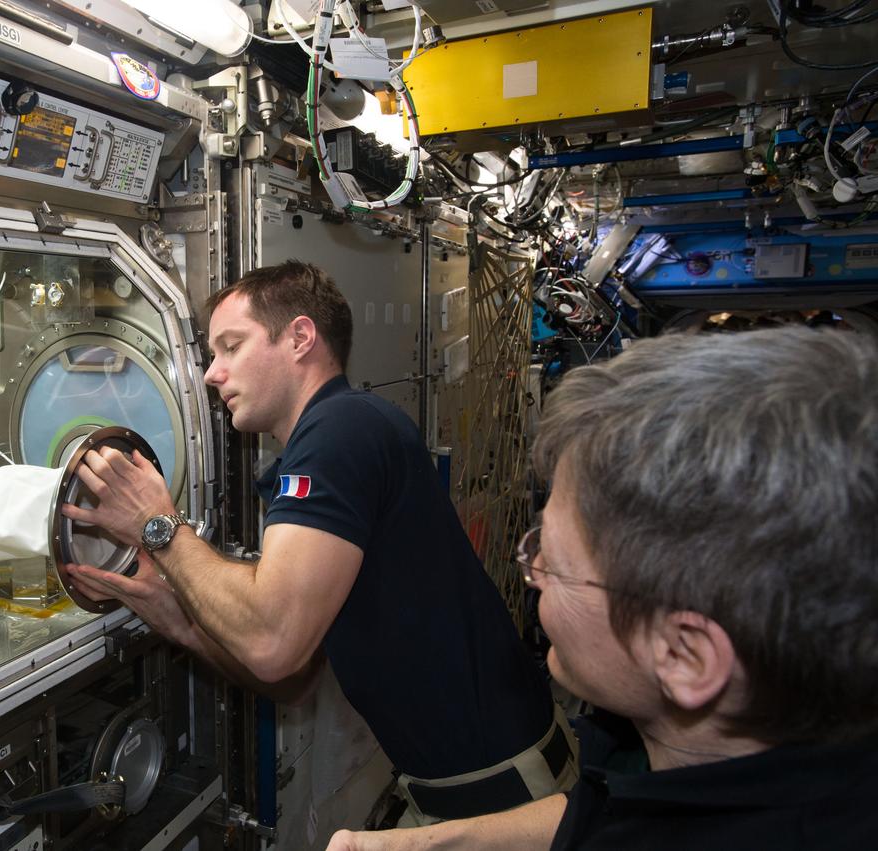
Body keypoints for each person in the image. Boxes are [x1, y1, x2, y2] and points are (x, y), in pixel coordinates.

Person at [60, 260, 575, 824]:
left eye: (231, 347)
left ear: (301, 337)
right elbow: (294, 677)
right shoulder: (338, 436)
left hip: (504, 797)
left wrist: (156, 525)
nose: (212, 373)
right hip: (471, 785)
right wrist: (180, 618)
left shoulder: (340, 430)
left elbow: (272, 641)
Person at [326, 325, 878, 850]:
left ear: (683, 655)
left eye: (556, 563)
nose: (534, 571)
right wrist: (422, 842)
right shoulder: (698, 758)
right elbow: (598, 812)